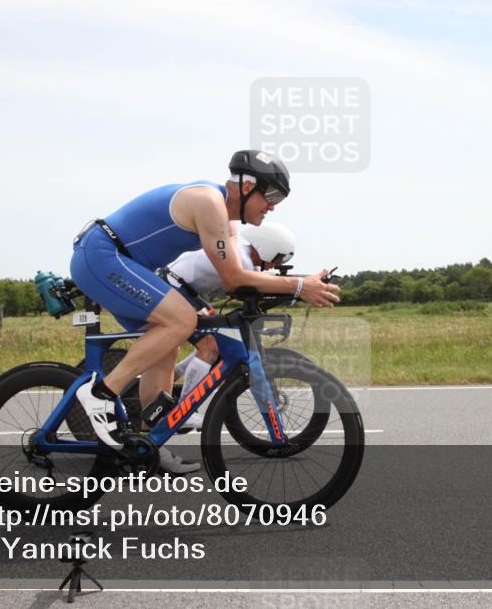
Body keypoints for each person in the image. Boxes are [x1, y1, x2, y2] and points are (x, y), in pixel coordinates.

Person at [69, 150, 338, 473]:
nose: (273, 205)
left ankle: (148, 444)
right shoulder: (209, 203)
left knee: (164, 348)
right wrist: (298, 286)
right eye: (270, 195)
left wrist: (299, 285)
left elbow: (239, 284)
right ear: (246, 185)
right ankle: (101, 395)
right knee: (182, 320)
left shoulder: (229, 222)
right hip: (103, 254)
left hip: (125, 263)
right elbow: (235, 277)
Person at [166, 221, 297, 430]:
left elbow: (260, 288)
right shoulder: (242, 260)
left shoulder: (246, 259)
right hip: (175, 289)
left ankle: (171, 378)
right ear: (266, 247)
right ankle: (184, 411)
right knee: (208, 346)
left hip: (184, 290)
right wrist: (296, 289)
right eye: (279, 257)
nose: (277, 264)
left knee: (216, 342)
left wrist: (295, 289)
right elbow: (247, 290)